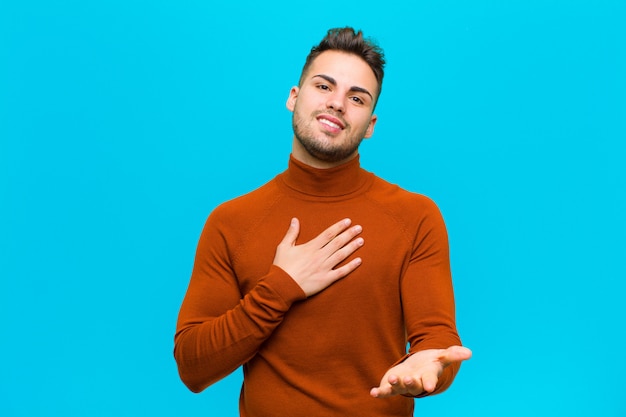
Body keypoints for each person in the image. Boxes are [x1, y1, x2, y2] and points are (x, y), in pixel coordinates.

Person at [174, 27, 471, 417]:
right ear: (293, 98)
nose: (337, 104)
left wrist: (427, 367)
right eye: (324, 86)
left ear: (370, 125)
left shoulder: (415, 217)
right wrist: (280, 287)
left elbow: (435, 342)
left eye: (357, 97)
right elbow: (193, 367)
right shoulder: (230, 222)